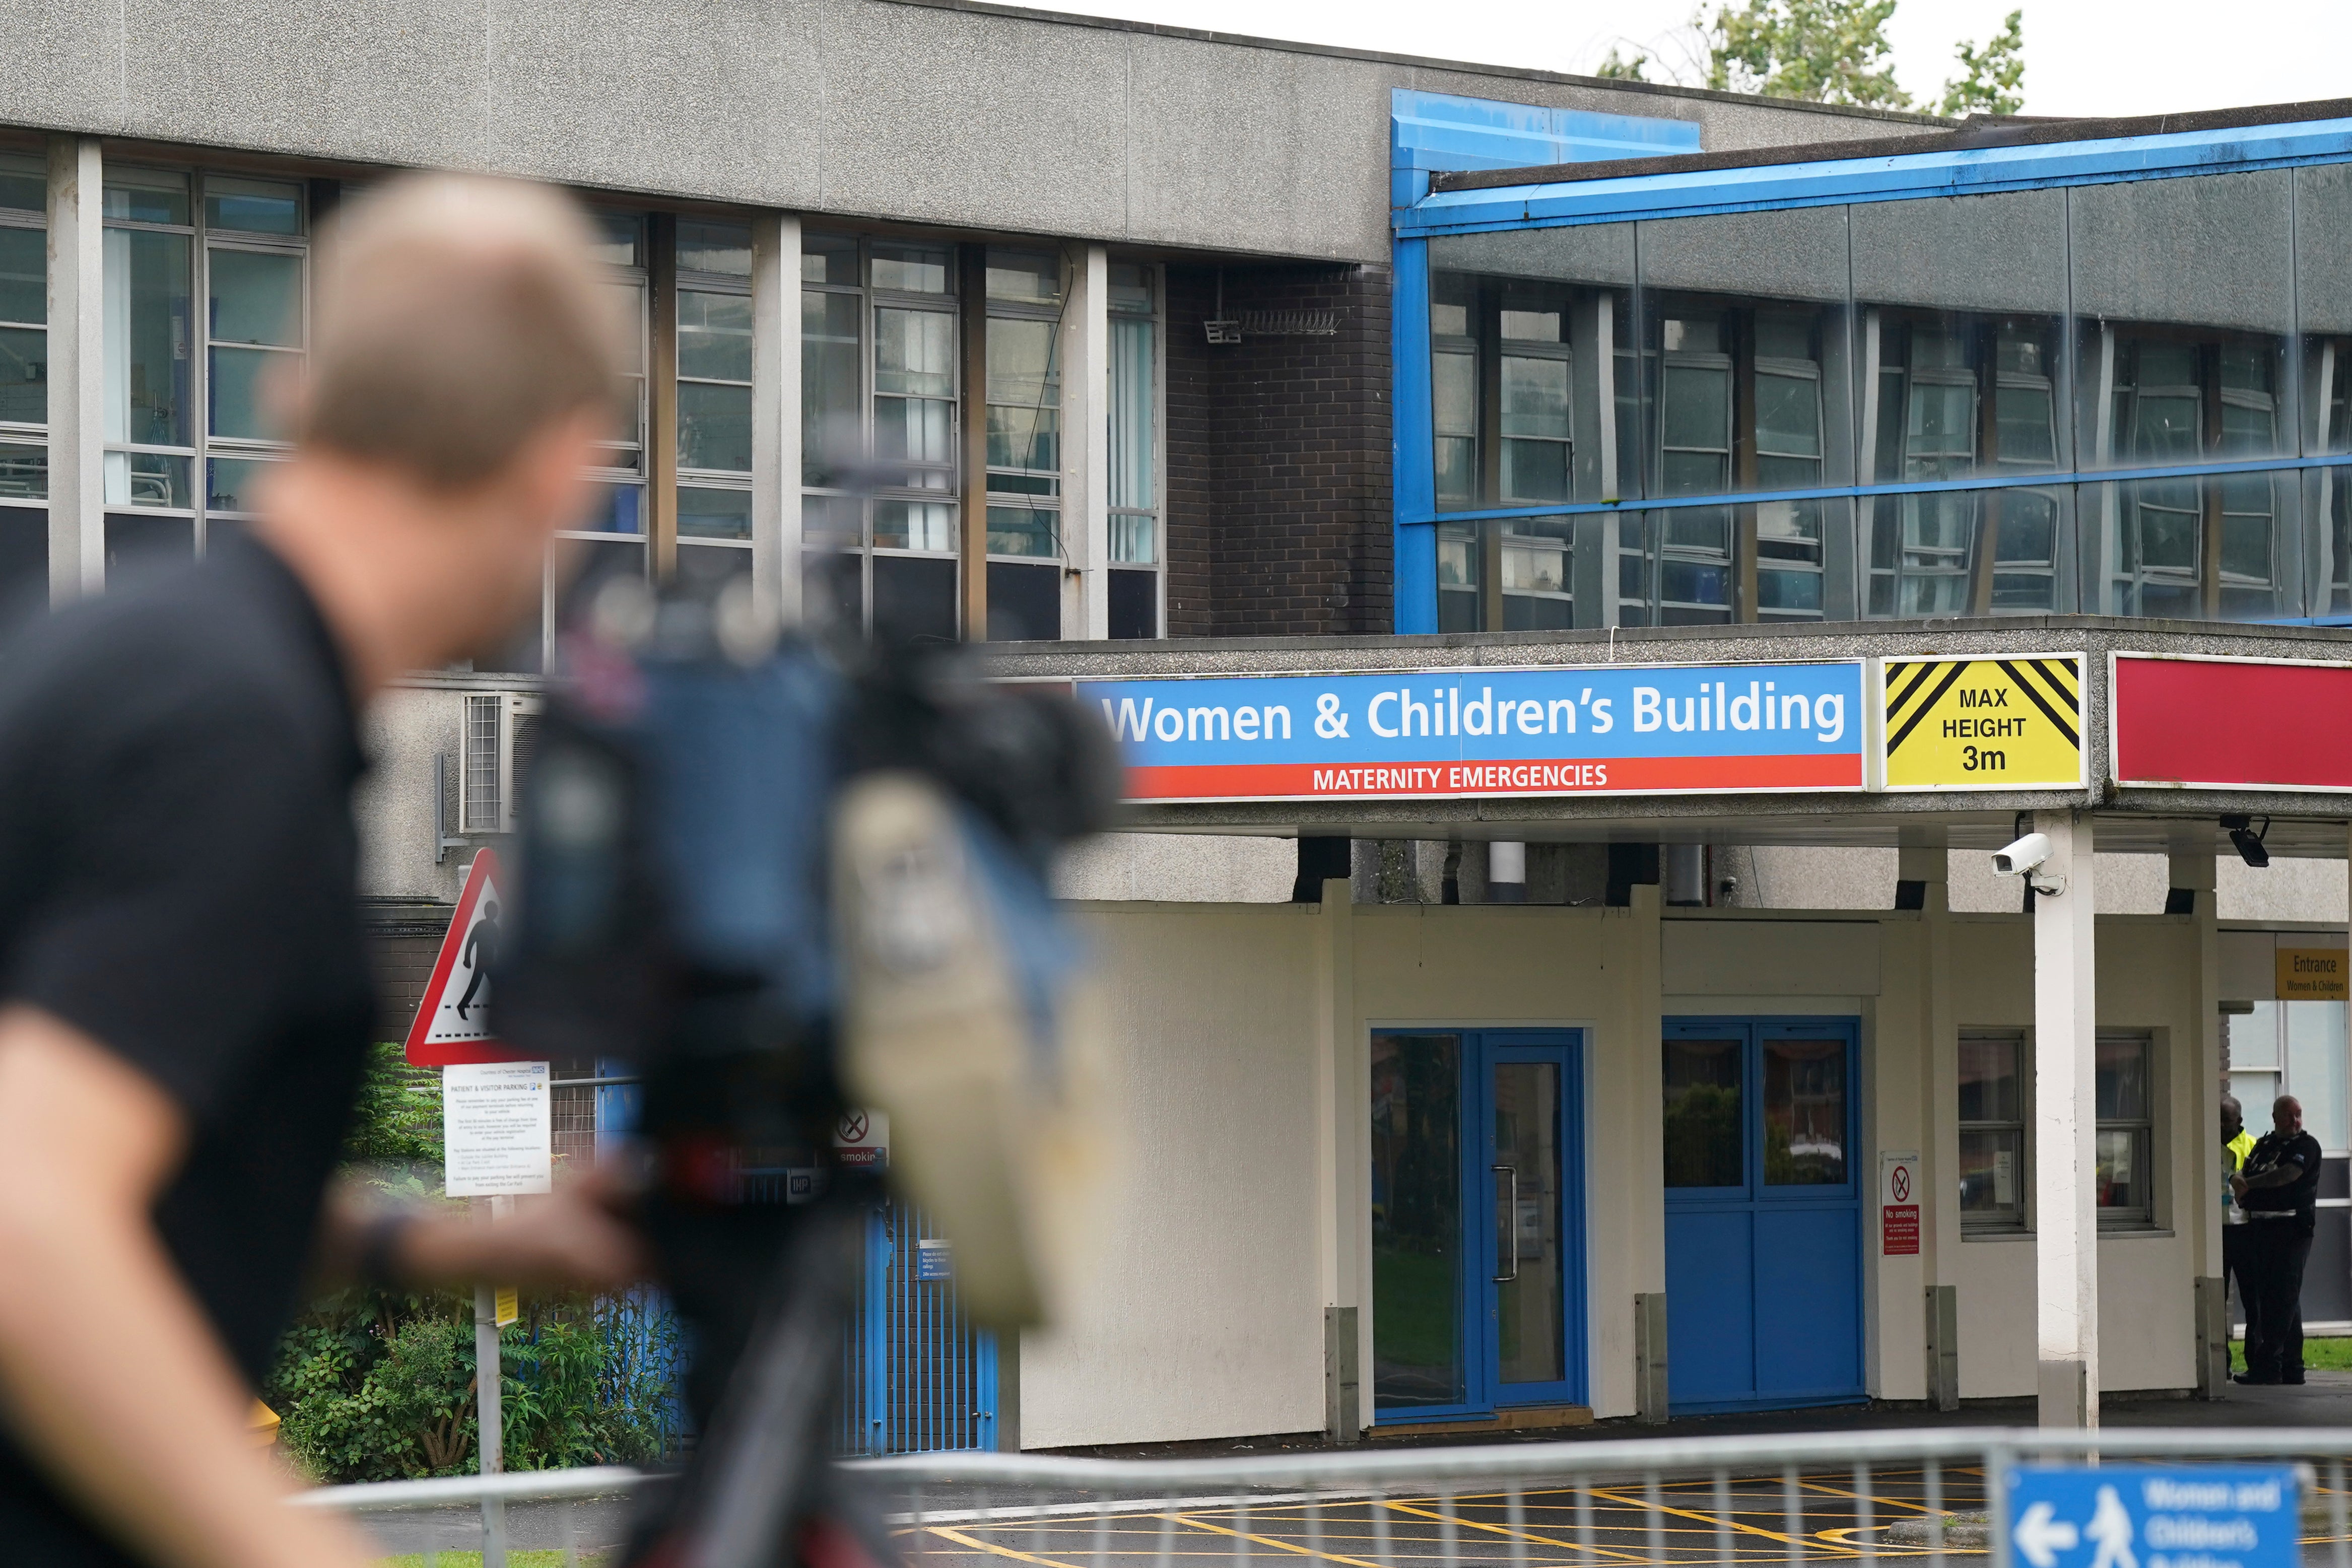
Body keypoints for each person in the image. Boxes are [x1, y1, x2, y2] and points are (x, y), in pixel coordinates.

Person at [0, 175, 644, 1568]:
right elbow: (31, 1220)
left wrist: (441, 1249)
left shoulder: (127, 658)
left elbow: (155, 1171)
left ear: (297, 391)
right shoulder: (234, 734)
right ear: (559, 466)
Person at [2233, 1093, 2324, 1385]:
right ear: (2275, 1118)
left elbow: (2287, 1176)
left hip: (2291, 1230)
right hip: (2260, 1228)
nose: (2295, 1120)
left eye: (2299, 1114)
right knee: (2278, 1298)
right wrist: (2238, 1179)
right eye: (2289, 1115)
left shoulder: (2306, 1147)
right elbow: (2244, 1171)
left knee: (2281, 1298)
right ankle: (2292, 1366)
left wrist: (2249, 1184)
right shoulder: (2265, 1146)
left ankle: (2269, 1366)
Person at [2220, 1094, 2253, 1332]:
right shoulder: (2204, 1144)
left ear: (2239, 1120)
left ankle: (2257, 1364)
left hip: (2246, 1230)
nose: (2221, 1125)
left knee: (2253, 1298)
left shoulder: (2254, 1146)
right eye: (2217, 1119)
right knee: (2215, 1298)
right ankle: (2223, 1364)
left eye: (2227, 1119)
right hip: (2215, 1231)